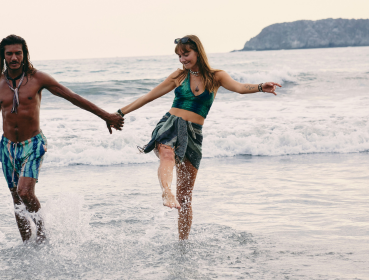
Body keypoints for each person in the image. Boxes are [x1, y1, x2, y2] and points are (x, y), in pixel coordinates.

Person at [115, 35, 281, 241]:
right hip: (171, 124)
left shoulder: (216, 76)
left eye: (186, 54)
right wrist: (120, 113)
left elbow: (239, 87)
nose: (182, 59)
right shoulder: (179, 76)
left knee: (185, 197)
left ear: (198, 52)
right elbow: (149, 96)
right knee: (166, 154)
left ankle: (182, 242)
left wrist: (260, 86)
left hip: (194, 134)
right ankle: (166, 192)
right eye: (179, 56)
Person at [0, 34, 124, 243]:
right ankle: (27, 244)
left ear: (24, 54)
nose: (13, 58)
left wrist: (106, 116)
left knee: (25, 192)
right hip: (8, 147)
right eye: (9, 54)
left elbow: (73, 97)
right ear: (2, 56)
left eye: (18, 53)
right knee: (16, 199)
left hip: (33, 144)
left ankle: (43, 235)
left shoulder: (38, 78)